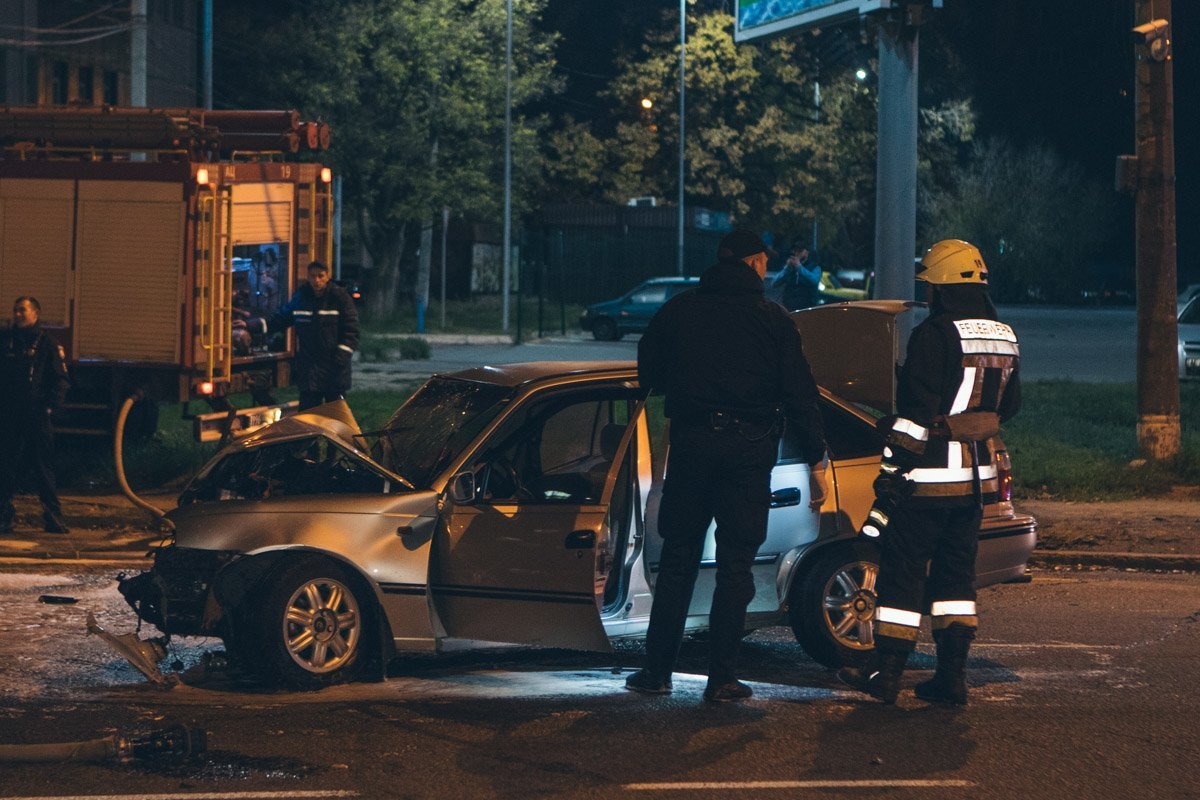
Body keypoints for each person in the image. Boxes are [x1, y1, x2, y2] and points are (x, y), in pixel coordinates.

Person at [625, 229, 828, 702]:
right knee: (736, 565)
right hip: (748, 452)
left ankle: (656, 672)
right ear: (754, 263)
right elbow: (800, 394)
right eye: (764, 261)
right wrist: (815, 458)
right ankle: (722, 679)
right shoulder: (772, 319)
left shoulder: (679, 310)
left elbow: (648, 373)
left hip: (692, 446)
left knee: (678, 560)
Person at [839, 239, 1021, 706]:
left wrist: (892, 465)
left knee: (902, 577)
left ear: (941, 285)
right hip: (975, 484)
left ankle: (885, 675)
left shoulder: (934, 335)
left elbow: (916, 417)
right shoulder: (1004, 335)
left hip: (928, 483)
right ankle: (951, 678)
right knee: (955, 582)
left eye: (930, 285)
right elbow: (1010, 406)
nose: (929, 292)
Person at [0, 296, 71, 534]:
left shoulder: (47, 343)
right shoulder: (7, 341)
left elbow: (60, 379)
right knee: (6, 465)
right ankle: (4, 515)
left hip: (37, 414)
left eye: (22, 310)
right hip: (10, 414)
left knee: (43, 466)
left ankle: (53, 516)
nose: (17, 314)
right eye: (15, 310)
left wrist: (50, 407)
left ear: (35, 314)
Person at [251, 260, 359, 410]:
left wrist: (339, 359)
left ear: (328, 276)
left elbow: (351, 331)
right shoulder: (301, 298)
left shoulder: (340, 298)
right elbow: (281, 318)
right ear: (308, 277)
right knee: (308, 416)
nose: (316, 280)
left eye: (320, 276)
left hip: (334, 372)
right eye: (313, 276)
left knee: (336, 416)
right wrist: (254, 325)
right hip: (310, 372)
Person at [771, 243, 823, 311]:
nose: (797, 253)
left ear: (807, 253)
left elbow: (815, 281)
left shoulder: (815, 267)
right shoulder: (790, 268)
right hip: (789, 306)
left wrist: (799, 267)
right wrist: (787, 268)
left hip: (807, 306)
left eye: (800, 251)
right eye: (795, 251)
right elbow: (774, 283)